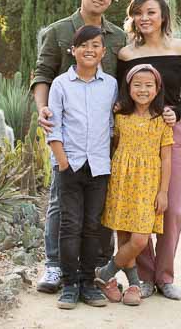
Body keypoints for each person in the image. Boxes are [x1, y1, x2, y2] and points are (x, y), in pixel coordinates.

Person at [31, 0, 126, 294]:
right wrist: (43, 110)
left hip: (102, 136)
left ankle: (96, 267)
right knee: (62, 200)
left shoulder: (116, 37)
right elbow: (42, 73)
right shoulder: (58, 31)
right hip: (65, 132)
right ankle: (56, 265)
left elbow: (123, 83)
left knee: (101, 202)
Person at [115, 0, 181, 301]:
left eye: (150, 12)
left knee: (171, 209)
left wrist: (175, 111)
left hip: (170, 132)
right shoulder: (126, 54)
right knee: (136, 208)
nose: (144, 18)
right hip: (135, 137)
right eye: (138, 13)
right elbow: (123, 96)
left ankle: (165, 276)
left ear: (163, 15)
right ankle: (144, 277)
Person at [45, 25, 119, 310]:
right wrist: (63, 163)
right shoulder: (61, 85)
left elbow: (112, 126)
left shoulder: (110, 85)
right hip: (70, 166)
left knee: (92, 227)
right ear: (73, 50)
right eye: (84, 45)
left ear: (103, 51)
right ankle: (69, 284)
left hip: (99, 167)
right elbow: (54, 129)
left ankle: (88, 283)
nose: (90, 50)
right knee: (69, 225)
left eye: (96, 45)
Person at [95, 63, 173, 306]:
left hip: (148, 185)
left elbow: (167, 158)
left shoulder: (162, 120)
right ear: (128, 88)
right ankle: (134, 287)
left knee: (140, 239)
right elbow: (115, 146)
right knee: (124, 235)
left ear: (157, 88)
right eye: (137, 85)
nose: (142, 89)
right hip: (122, 182)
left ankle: (105, 274)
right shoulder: (120, 117)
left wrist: (163, 192)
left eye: (148, 85)